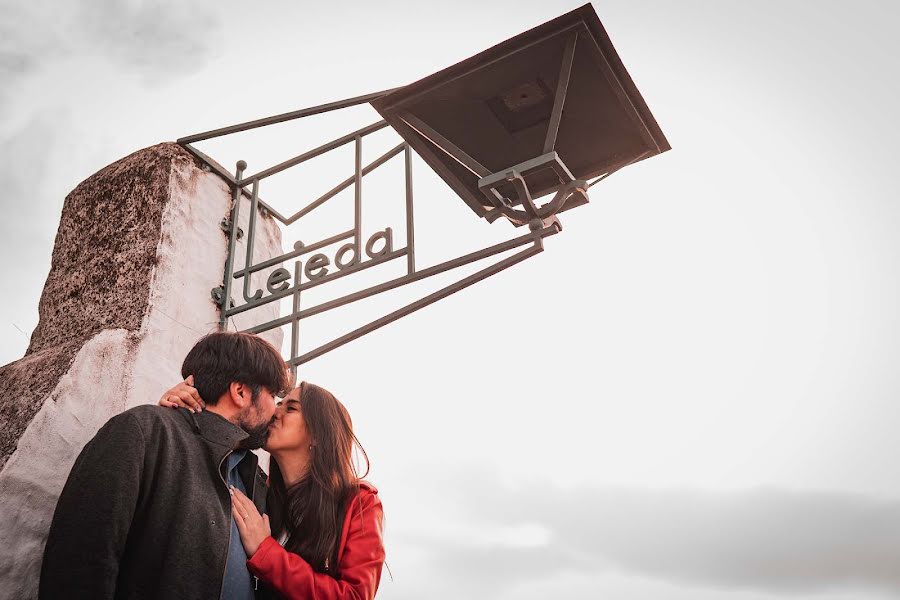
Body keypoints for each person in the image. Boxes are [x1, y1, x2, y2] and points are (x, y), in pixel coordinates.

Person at [39, 331, 291, 600]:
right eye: (272, 395)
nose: (276, 409)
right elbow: (80, 562)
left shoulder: (252, 475)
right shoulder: (143, 432)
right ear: (240, 392)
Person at [160, 379, 385, 600]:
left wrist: (265, 553)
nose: (276, 412)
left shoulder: (359, 503)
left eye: (291, 408)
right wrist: (181, 414)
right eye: (278, 403)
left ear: (318, 434)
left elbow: (355, 596)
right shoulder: (256, 490)